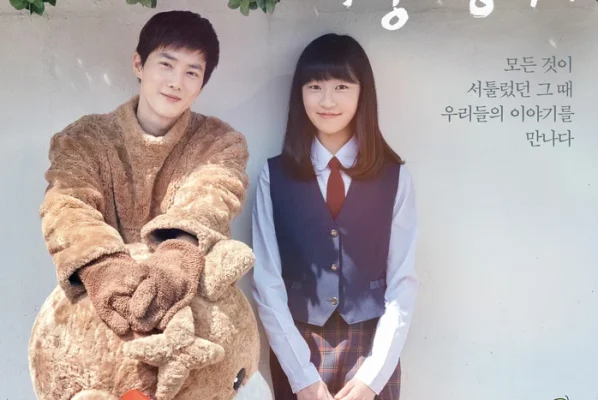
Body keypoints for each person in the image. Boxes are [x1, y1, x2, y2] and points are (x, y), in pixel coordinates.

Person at [40, 10, 249, 336]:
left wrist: (173, 264)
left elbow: (210, 202)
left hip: (186, 317)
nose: (176, 82)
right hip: (99, 317)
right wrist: (106, 269)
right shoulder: (83, 138)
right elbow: (67, 207)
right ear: (139, 64)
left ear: (202, 84)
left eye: (192, 72)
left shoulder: (220, 143)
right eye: (166, 64)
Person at [251, 33, 419, 400]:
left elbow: (402, 282)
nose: (327, 101)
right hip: (297, 348)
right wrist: (301, 377)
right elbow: (266, 282)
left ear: (363, 93)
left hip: (373, 348)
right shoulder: (274, 175)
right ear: (300, 94)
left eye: (342, 86)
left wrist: (372, 378)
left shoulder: (395, 176)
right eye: (315, 86)